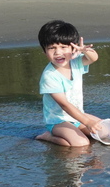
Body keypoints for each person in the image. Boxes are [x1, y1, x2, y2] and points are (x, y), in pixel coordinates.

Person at [35, 19, 103, 147]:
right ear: (44, 51)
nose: (58, 52)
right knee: (81, 144)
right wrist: (87, 122)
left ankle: (78, 130)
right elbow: (64, 104)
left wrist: (84, 50)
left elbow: (93, 58)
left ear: (73, 48)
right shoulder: (49, 76)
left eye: (63, 47)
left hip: (77, 116)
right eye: (52, 48)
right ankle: (48, 136)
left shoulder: (75, 62)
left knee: (105, 132)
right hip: (58, 121)